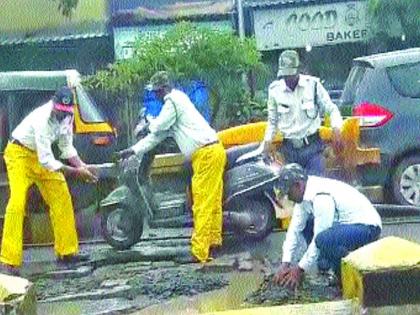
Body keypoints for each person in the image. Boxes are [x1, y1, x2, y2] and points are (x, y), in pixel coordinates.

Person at [117, 71, 227, 263]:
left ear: (163, 89)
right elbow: (156, 137)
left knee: (202, 203)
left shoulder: (173, 100)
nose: (156, 96)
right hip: (213, 151)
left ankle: (199, 252)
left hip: (206, 154)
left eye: (156, 92)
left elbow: (157, 127)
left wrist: (147, 123)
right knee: (212, 201)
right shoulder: (176, 104)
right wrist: (133, 150)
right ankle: (213, 242)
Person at [0, 86, 98, 276]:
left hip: (41, 158)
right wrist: (77, 172)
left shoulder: (68, 118)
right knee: (17, 202)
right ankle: (9, 260)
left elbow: (66, 148)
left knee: (61, 195)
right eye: (60, 111)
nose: (62, 115)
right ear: (54, 104)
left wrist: (83, 167)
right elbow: (47, 160)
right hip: (19, 154)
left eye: (66, 113)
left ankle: (67, 251)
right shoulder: (42, 119)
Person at [273, 163, 382, 289]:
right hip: (347, 226)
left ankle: (344, 277)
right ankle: (325, 265)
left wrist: (299, 269)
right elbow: (294, 230)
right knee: (308, 226)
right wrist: (285, 263)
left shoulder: (321, 197)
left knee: (323, 240)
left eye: (289, 193)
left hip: (367, 228)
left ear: (298, 185)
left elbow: (319, 235)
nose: (288, 198)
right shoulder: (303, 196)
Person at [263, 50, 344, 176]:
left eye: (290, 75)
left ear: (299, 70)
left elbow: (332, 109)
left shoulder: (313, 85)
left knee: (314, 186)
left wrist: (336, 129)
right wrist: (267, 141)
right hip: (289, 150)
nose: (288, 79)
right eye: (285, 76)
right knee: (293, 190)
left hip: (313, 147)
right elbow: (272, 121)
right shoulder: (275, 91)